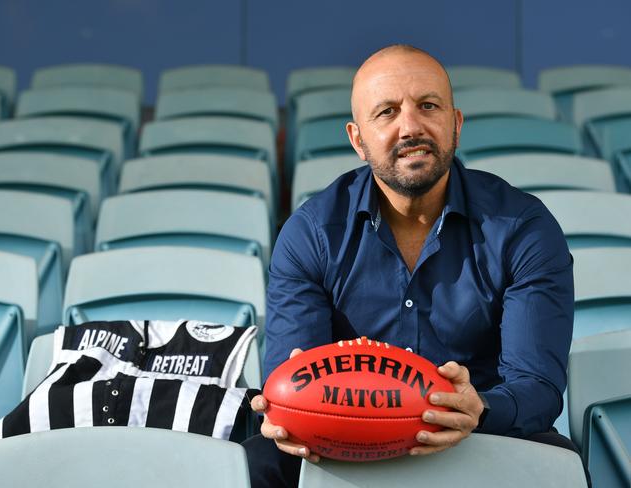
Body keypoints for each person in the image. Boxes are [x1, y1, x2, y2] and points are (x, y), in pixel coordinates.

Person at [243, 44, 580, 488]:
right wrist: (288, 415)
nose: (411, 127)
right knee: (258, 462)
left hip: (480, 435)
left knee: (560, 461)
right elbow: (293, 376)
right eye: (386, 112)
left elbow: (537, 387)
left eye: (428, 106)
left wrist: (478, 409)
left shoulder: (524, 228)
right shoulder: (312, 233)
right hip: (349, 437)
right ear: (358, 139)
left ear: (455, 124)